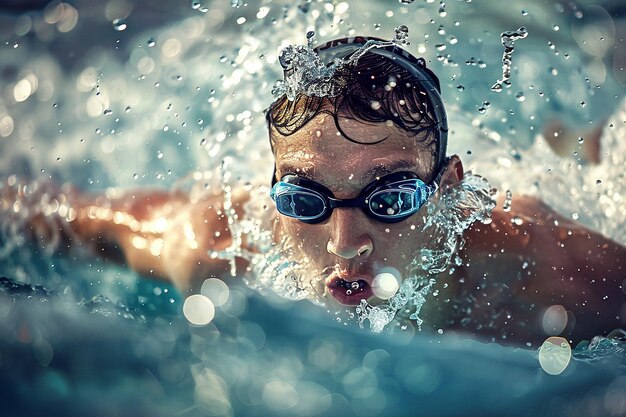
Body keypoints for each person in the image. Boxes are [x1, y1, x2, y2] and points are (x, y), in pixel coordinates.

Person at [2, 36, 624, 345]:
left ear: (447, 191)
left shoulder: (548, 278)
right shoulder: (210, 246)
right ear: (271, 191)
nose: (347, 244)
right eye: (305, 201)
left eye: (392, 199)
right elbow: (50, 214)